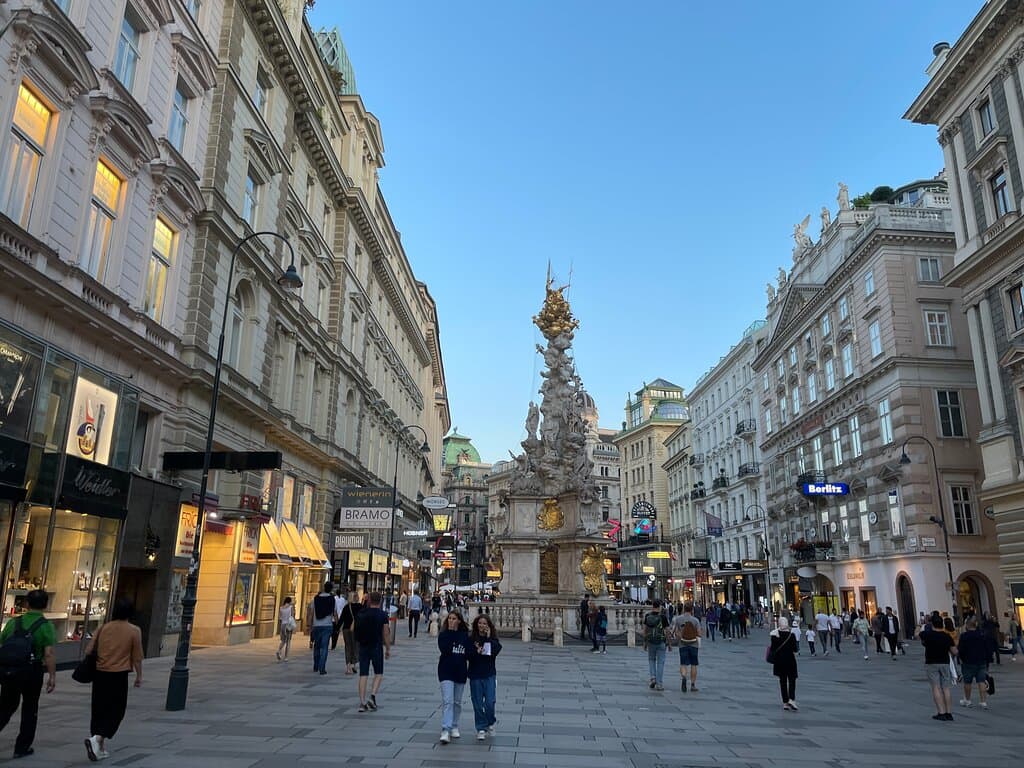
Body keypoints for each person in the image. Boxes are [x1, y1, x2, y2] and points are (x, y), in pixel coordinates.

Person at [83, 598, 143, 762]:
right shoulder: (134, 630)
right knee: (116, 711)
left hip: (100, 674)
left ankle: (99, 747)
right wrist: (139, 676)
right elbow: (137, 657)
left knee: (99, 709)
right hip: (119, 675)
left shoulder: (103, 628)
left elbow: (88, 650)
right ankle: (97, 739)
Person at [0, 589, 56, 759]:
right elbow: (48, 654)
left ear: (26, 604)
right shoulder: (46, 626)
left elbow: (3, 643)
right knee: (30, 708)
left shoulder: (13, 623)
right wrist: (52, 676)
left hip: (10, 670)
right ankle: (22, 747)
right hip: (32, 671)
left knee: (6, 706)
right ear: (46, 605)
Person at [355, 592, 390, 712]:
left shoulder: (361, 613)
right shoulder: (382, 615)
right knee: (378, 673)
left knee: (363, 674)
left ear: (369, 600)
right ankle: (373, 695)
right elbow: (386, 633)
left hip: (363, 646)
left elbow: (356, 629)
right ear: (380, 601)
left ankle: (362, 702)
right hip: (376, 646)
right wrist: (388, 648)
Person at [437, 611, 469, 744]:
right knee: (448, 700)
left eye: (454, 619)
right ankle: (446, 729)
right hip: (446, 670)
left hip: (460, 671)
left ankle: (454, 725)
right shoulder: (443, 635)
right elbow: (444, 649)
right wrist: (451, 633)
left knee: (457, 702)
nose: (451, 621)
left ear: (459, 621)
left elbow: (469, 653)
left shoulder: (465, 636)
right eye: (449, 619)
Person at [467, 614, 501, 740]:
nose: (482, 626)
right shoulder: (471, 639)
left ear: (489, 626)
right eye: (480, 623)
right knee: (477, 703)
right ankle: (481, 728)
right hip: (475, 674)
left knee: (490, 702)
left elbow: (495, 651)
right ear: (476, 624)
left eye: (485, 623)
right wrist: (476, 652)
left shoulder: (492, 639)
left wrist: (488, 638)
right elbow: (467, 655)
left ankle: (491, 721)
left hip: (489, 674)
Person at [921, 614, 957, 721]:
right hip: (945, 662)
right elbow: (954, 651)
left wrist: (921, 625)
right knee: (946, 687)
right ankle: (949, 712)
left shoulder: (927, 634)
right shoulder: (947, 636)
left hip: (931, 663)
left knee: (936, 687)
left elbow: (917, 634)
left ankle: (941, 712)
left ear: (932, 624)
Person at [957, 618, 990, 710]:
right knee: (981, 681)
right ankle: (983, 702)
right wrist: (987, 659)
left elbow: (961, 649)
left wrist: (962, 659)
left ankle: (967, 700)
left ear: (967, 626)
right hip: (981, 661)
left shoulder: (964, 636)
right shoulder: (982, 635)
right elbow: (987, 648)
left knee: (967, 682)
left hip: (968, 662)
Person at [769, 616, 799, 711]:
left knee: (782, 682)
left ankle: (785, 702)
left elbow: (773, 649)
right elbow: (795, 649)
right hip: (790, 661)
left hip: (779, 662)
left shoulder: (774, 636)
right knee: (792, 680)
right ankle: (792, 699)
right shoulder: (791, 635)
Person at [671, 602, 701, 692]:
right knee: (694, 664)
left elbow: (675, 631)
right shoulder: (695, 620)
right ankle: (692, 685)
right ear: (692, 610)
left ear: (684, 609)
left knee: (683, 663)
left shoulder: (678, 619)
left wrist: (680, 636)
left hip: (682, 644)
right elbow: (699, 633)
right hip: (694, 644)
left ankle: (684, 676)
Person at [642, 599, 671, 691]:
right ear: (660, 607)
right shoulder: (663, 617)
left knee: (651, 660)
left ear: (652, 606)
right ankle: (659, 684)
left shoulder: (647, 616)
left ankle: (653, 678)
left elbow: (645, 631)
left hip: (651, 641)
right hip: (661, 642)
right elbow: (667, 631)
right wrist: (669, 644)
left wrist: (645, 642)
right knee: (661, 662)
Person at [308, 582, 336, 675]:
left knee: (317, 646)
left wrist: (309, 625)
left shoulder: (315, 599)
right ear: (331, 589)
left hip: (317, 625)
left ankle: (316, 665)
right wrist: (337, 624)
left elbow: (311, 613)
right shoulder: (332, 599)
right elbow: (334, 613)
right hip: (327, 625)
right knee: (324, 647)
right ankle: (322, 667)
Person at [276, 596, 296, 661]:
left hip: (283, 625)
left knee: (283, 640)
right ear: (289, 601)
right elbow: (293, 616)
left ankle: (279, 650)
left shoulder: (281, 608)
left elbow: (280, 618)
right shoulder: (291, 607)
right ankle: (286, 657)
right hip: (289, 625)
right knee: (288, 641)